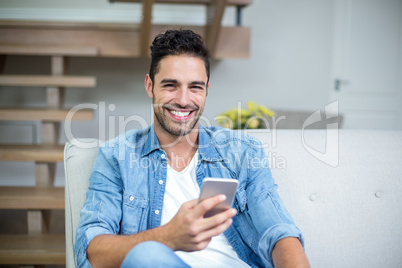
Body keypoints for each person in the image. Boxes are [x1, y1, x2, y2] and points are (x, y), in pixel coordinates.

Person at [75, 29, 309, 268]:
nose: (184, 100)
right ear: (149, 86)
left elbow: (279, 232)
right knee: (146, 256)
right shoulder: (117, 156)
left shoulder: (242, 152)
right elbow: (92, 251)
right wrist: (167, 237)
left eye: (195, 87)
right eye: (170, 85)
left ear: (207, 88)